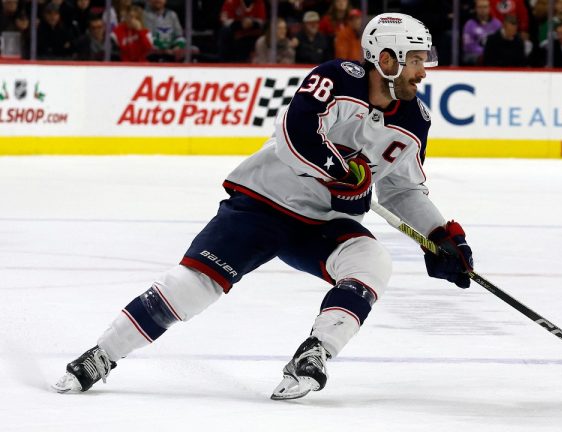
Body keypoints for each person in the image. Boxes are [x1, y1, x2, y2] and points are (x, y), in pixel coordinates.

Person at [52, 12, 473, 401]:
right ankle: (102, 354)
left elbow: (402, 191)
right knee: (194, 287)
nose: (423, 71)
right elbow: (295, 136)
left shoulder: (415, 119)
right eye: (416, 60)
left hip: (325, 223)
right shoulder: (336, 78)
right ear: (386, 58)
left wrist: (439, 236)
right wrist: (343, 172)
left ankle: (315, 353)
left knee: (372, 263)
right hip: (264, 203)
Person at [462, 0, 502, 65]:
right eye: (480, 7)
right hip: (474, 55)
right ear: (476, 9)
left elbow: (500, 43)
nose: (482, 10)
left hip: (493, 55)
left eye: (485, 7)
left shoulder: (497, 24)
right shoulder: (469, 24)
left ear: (489, 8)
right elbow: (468, 46)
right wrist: (485, 53)